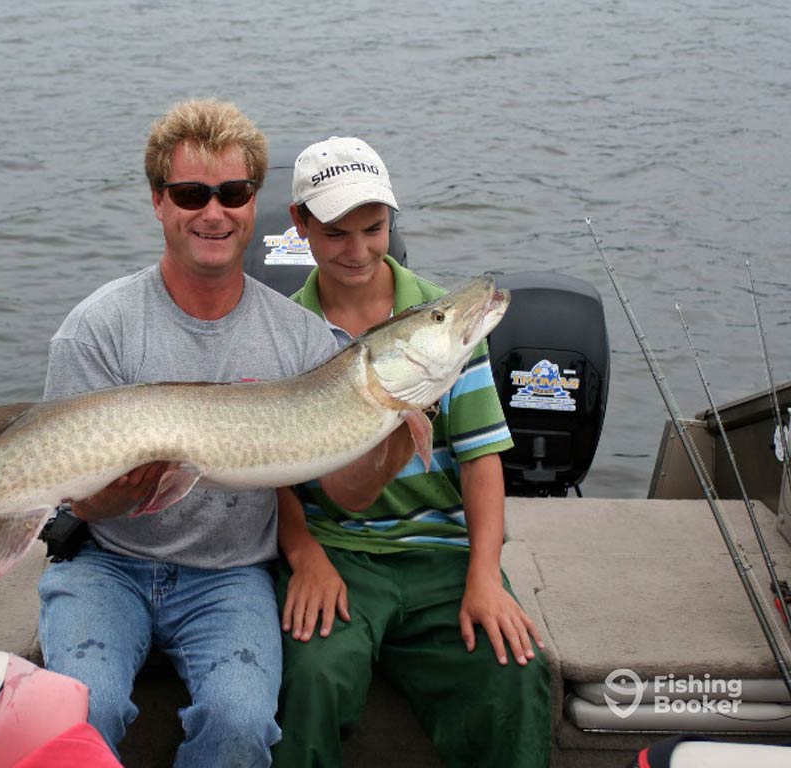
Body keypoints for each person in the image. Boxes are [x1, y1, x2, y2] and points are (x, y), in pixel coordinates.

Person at [37, 99, 341, 767]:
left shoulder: (300, 338)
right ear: (158, 201)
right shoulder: (97, 327)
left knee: (238, 722)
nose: (213, 212)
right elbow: (79, 503)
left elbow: (332, 474)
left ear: (252, 202)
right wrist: (116, 495)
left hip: (230, 576)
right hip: (106, 564)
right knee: (81, 710)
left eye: (232, 193)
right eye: (190, 193)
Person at [272, 136, 552, 767]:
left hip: (441, 556)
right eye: (337, 233)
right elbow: (273, 471)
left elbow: (482, 462)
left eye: (373, 229)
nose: (359, 250)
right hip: (339, 553)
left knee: (512, 676)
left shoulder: (447, 329)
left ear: (392, 221)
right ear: (301, 225)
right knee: (310, 679)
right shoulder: (286, 333)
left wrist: (483, 576)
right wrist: (304, 552)